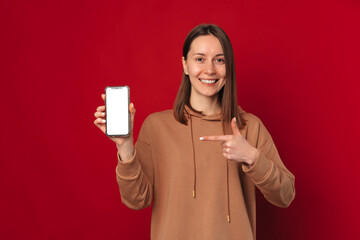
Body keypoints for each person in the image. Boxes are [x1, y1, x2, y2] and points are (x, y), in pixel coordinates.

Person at [94, 24, 295, 240]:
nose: (210, 69)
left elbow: (285, 195)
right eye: (199, 59)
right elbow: (136, 200)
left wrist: (253, 157)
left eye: (219, 60)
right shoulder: (156, 127)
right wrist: (124, 146)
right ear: (185, 65)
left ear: (229, 67)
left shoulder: (250, 127)